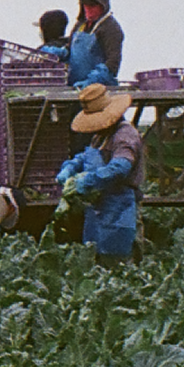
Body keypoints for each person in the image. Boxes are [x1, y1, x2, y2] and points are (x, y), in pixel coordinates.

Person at [58, 81, 143, 263]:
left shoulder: (125, 136)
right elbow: (85, 156)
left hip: (120, 206)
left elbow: (120, 167)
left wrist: (88, 181)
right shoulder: (101, 136)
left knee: (117, 262)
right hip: (98, 207)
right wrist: (70, 166)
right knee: (94, 258)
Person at [67, 0, 124, 89]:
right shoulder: (80, 25)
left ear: (102, 6)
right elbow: (68, 49)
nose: (88, 9)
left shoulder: (111, 28)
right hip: (75, 86)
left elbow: (113, 63)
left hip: (100, 90)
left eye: (92, 6)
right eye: (85, 5)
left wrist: (92, 80)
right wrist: (56, 53)